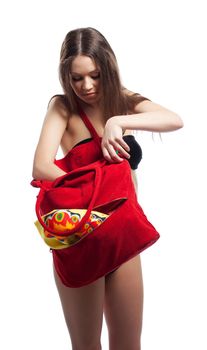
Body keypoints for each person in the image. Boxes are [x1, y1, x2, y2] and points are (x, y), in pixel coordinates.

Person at [32, 27, 183, 350]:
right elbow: (41, 166)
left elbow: (173, 119)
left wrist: (118, 122)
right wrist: (94, 181)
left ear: (107, 69)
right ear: (66, 78)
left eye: (95, 75)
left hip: (122, 234)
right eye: (77, 78)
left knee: (129, 344)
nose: (86, 86)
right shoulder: (63, 107)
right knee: (87, 345)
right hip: (81, 238)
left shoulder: (121, 100)